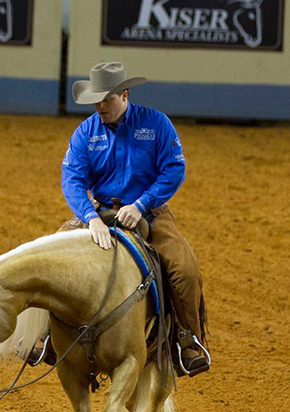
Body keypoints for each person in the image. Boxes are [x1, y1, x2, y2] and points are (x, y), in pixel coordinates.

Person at [36, 62, 209, 374]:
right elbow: (72, 179)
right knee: (50, 255)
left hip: (151, 212)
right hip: (99, 210)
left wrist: (142, 204)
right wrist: (91, 217)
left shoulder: (156, 124)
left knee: (183, 269)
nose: (100, 106)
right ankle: (46, 335)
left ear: (125, 95)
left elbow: (174, 169)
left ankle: (188, 338)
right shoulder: (85, 133)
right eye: (96, 101)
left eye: (107, 99)